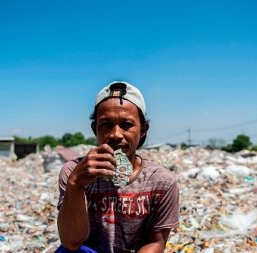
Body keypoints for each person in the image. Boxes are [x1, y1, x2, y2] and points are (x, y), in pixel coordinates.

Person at [57, 81, 179, 252]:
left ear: (143, 129)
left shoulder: (161, 181)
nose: (115, 134)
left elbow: (156, 242)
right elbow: (71, 242)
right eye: (106, 124)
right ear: (95, 129)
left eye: (127, 125)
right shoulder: (73, 172)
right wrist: (76, 185)